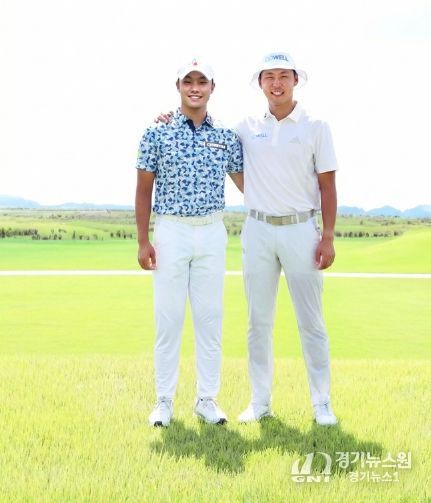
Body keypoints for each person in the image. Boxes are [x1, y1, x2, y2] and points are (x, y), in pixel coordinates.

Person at [135, 59, 243, 427]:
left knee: (210, 319)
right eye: (188, 82)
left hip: (212, 231)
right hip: (171, 231)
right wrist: (143, 241)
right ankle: (164, 402)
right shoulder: (156, 132)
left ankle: (206, 400)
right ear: (178, 86)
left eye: (201, 82)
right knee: (168, 319)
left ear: (212, 87)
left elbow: (249, 184)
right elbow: (143, 189)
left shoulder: (226, 136)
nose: (195, 88)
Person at [236, 52, 338, 426]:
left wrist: (327, 236)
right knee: (257, 322)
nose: (276, 83)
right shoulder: (245, 127)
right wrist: (168, 116)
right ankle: (260, 402)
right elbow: (211, 140)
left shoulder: (316, 126)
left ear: (296, 80)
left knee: (311, 322)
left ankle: (321, 403)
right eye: (269, 76)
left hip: (301, 230)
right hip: (258, 230)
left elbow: (327, 185)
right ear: (260, 82)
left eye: (283, 76)